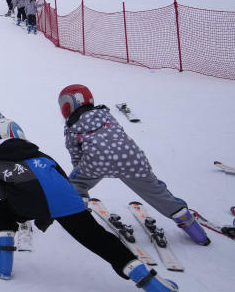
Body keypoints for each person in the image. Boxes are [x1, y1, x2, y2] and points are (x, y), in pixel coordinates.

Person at [0, 118, 180, 292]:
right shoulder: (40, 154)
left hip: (26, 201)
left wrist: (25, 203)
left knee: (3, 210)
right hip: (66, 200)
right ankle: (157, 287)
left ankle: (3, 265)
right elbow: (60, 178)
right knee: (100, 239)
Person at [58, 84, 210, 245]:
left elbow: (75, 155)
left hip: (96, 161)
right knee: (157, 193)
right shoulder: (106, 114)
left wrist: (79, 171)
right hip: (131, 159)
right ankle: (193, 228)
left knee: (76, 185)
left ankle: (80, 221)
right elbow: (119, 135)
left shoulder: (72, 127)